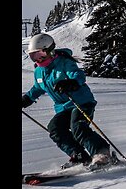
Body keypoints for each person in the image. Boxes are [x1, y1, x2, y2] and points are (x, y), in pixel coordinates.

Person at [22, 33, 111, 169]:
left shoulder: (64, 62)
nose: (37, 59)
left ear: (49, 50)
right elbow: (37, 88)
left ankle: (102, 154)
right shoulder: (39, 71)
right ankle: (79, 156)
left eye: (39, 54)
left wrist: (71, 83)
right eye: (33, 56)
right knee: (55, 128)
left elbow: (78, 75)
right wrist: (26, 99)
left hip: (81, 103)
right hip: (63, 108)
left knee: (78, 128)